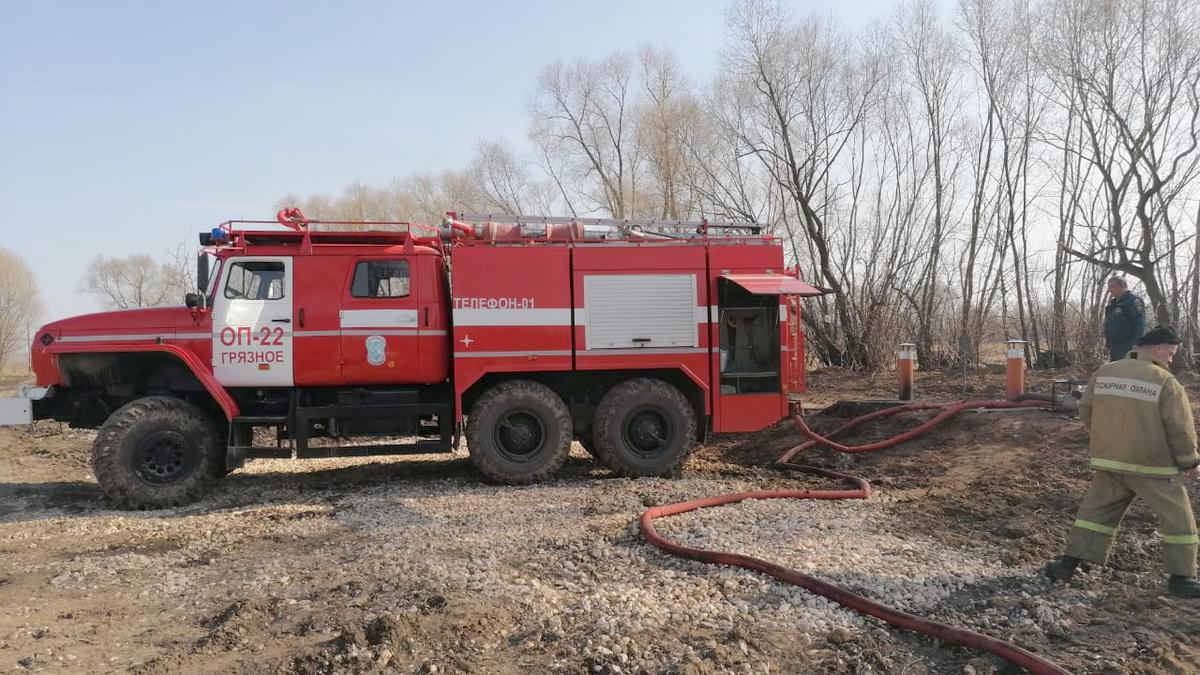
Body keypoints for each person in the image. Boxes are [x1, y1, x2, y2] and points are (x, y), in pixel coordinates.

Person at [1044, 326, 1200, 597]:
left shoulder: (1105, 372)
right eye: (1172, 353)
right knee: (1179, 521)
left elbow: (1086, 409)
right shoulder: (1165, 382)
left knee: (1094, 514)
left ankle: (1067, 566)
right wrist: (1190, 462)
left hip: (1111, 460)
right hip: (1153, 466)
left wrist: (1107, 439)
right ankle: (1182, 579)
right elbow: (1180, 429)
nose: (1172, 359)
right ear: (1160, 348)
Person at [1103, 277, 1146, 361]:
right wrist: (1107, 345)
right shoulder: (1112, 305)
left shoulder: (1133, 301)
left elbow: (1139, 324)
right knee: (1115, 372)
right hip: (1114, 347)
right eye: (1109, 287)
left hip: (1129, 346)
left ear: (1123, 286)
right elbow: (1109, 326)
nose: (1110, 290)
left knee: (1128, 372)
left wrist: (1137, 344)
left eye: (1112, 286)